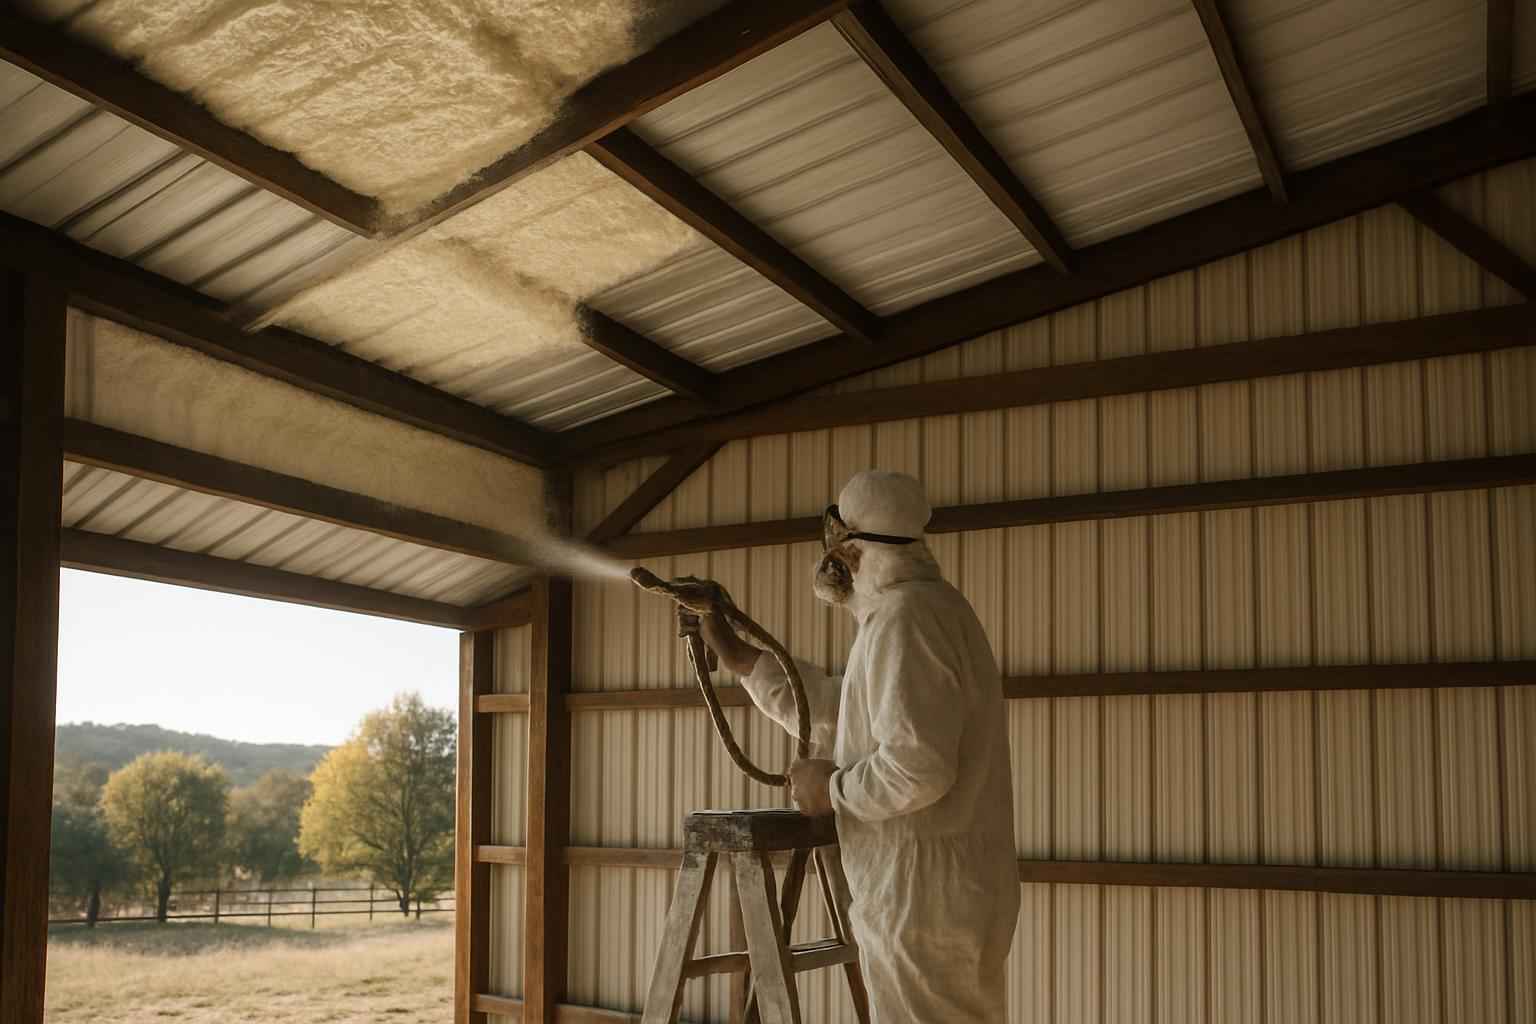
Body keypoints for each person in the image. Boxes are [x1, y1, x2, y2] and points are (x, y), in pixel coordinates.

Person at [699, 470, 1018, 1023]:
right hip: (937, 885)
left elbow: (918, 767)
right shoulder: (919, 612)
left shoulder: (906, 620)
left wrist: (833, 789)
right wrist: (734, 651)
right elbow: (833, 709)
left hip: (919, 890)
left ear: (848, 550)